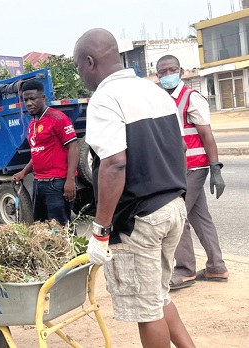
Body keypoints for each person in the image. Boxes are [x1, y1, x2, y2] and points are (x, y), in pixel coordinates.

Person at [74, 29, 195, 347]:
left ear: (90, 62)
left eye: (78, 67)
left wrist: (100, 231)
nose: (81, 75)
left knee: (147, 310)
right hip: (172, 207)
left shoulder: (104, 98)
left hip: (139, 219)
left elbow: (114, 163)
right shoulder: (153, 91)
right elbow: (180, 148)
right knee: (159, 296)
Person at [156, 55, 228, 290]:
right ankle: (216, 267)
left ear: (181, 70)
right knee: (199, 216)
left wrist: (215, 168)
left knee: (177, 217)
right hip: (178, 168)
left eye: (172, 70)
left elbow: (206, 135)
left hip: (194, 167)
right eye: (163, 72)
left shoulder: (191, 97)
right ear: (158, 76)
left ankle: (185, 270)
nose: (168, 75)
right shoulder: (165, 99)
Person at [12, 80, 79, 227]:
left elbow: (73, 147)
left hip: (57, 183)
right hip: (39, 183)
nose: (29, 103)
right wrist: (23, 172)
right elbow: (37, 152)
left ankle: (73, 250)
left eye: (33, 98)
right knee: (41, 228)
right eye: (26, 100)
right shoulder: (32, 125)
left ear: (43, 98)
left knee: (61, 228)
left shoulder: (58, 119)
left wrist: (70, 180)